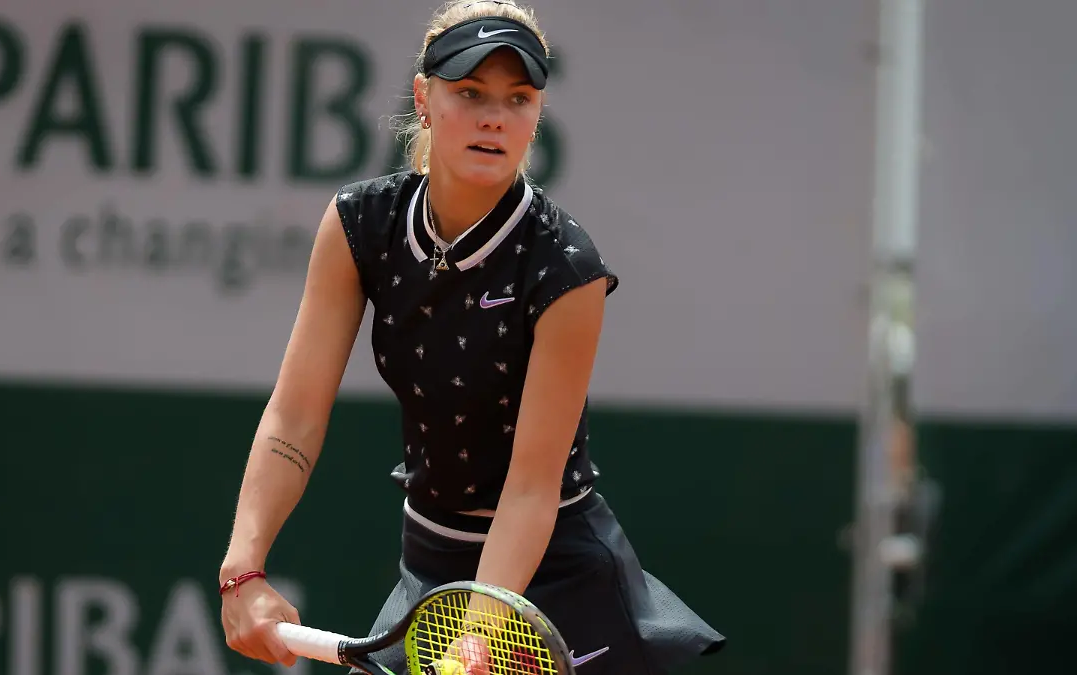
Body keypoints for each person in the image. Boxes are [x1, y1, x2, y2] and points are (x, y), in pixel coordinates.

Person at [218, 1, 725, 672]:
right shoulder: (358, 225)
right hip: (430, 565)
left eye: (517, 98)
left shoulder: (565, 265)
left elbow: (531, 485)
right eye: (470, 92)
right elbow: (296, 413)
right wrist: (243, 570)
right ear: (424, 99)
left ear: (537, 112)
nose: (494, 117)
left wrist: (486, 627)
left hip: (554, 579)